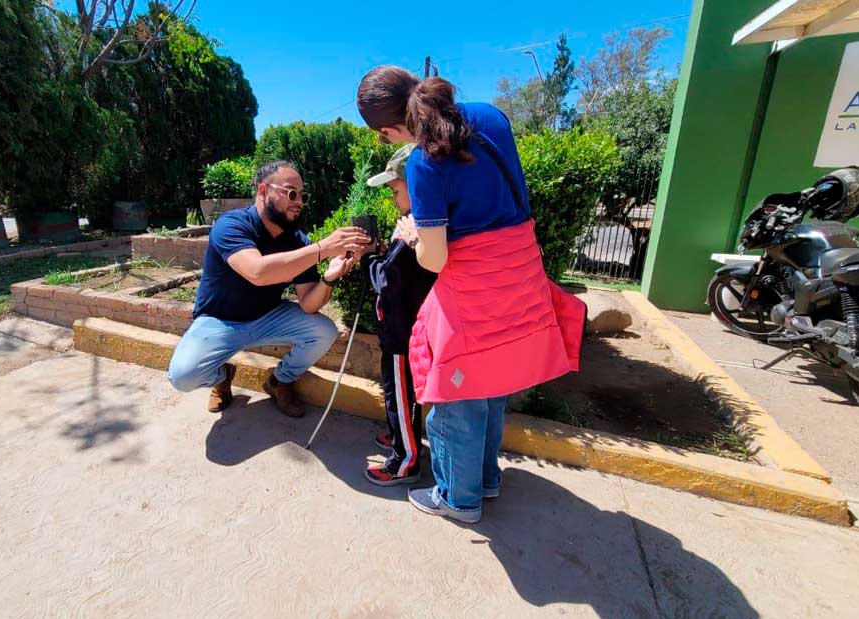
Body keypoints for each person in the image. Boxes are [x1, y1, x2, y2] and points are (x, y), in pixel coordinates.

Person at [357, 66, 585, 523]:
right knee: (492, 385)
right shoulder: (490, 117)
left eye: (385, 138)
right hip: (521, 275)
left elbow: (435, 260)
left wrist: (413, 234)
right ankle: (486, 480)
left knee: (453, 402)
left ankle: (459, 499)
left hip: (474, 293)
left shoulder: (422, 163)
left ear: (387, 129)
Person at [167, 160, 371, 418]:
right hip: (220, 320)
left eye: (302, 196)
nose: (299, 202)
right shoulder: (231, 225)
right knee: (182, 376)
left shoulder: (298, 241)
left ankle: (279, 380)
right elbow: (258, 272)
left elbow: (308, 303)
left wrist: (329, 278)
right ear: (263, 191)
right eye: (291, 193)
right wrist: (322, 248)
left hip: (268, 317)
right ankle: (222, 375)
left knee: (323, 330)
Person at [361, 143, 437, 486]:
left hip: (400, 331)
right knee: (401, 393)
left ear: (417, 184)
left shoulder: (415, 232)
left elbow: (385, 281)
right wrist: (383, 252)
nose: (392, 196)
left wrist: (368, 259)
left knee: (401, 394)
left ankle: (405, 461)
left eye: (395, 188)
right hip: (399, 327)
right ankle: (402, 435)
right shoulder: (415, 227)